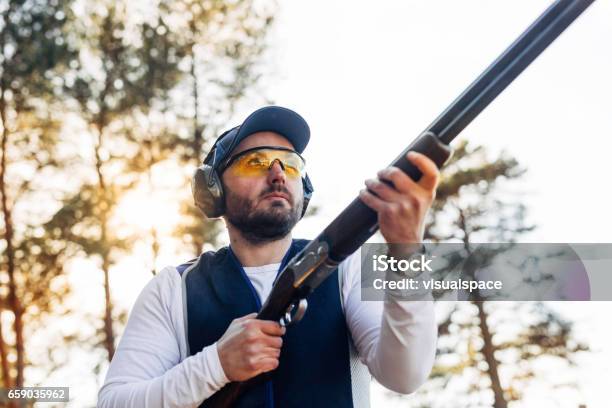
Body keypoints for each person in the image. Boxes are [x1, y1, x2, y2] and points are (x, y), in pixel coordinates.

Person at [98, 106, 439, 408]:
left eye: (290, 165)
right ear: (213, 190)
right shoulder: (173, 289)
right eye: (256, 162)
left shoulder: (348, 265)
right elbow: (115, 402)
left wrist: (406, 249)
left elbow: (405, 375)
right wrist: (215, 365)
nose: (277, 174)